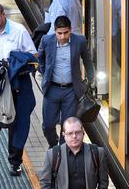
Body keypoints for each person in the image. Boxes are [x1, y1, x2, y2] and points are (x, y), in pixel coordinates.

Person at [0, 3, 37, 182]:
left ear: (3, 15)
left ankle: (15, 162)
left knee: (15, 123)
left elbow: (33, 55)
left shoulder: (19, 31)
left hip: (15, 83)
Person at [38, 16, 93, 147]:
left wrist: (91, 80)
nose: (62, 36)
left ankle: (62, 153)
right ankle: (53, 145)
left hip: (71, 91)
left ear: (70, 30)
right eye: (59, 33)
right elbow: (40, 58)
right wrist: (45, 73)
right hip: (52, 89)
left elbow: (87, 61)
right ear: (55, 31)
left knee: (68, 126)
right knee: (48, 125)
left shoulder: (79, 41)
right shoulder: (46, 40)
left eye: (66, 33)